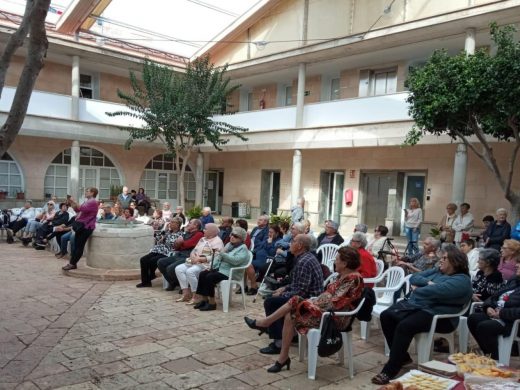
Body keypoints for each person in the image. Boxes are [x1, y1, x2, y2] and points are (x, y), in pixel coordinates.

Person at [244, 246, 364, 373]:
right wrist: (312, 302)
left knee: (295, 301)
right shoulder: (342, 276)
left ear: (345, 263)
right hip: (325, 312)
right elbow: (328, 297)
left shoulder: (353, 279)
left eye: (337, 259)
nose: (334, 261)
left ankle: (266, 323)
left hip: (334, 319)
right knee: (290, 313)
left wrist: (310, 303)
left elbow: (334, 303)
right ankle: (282, 357)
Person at [371, 245, 472, 385]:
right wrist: (428, 283)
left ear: (455, 262)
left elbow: (431, 291)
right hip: (422, 308)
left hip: (442, 317)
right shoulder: (438, 271)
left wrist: (424, 288)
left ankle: (390, 369)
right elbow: (414, 278)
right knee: (387, 316)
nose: (440, 261)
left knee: (405, 326)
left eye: (444, 258)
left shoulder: (461, 281)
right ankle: (403, 357)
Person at [258, 234, 323, 355]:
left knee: (271, 302)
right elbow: (297, 283)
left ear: (300, 246)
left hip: (309, 300)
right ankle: (288, 334)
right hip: (305, 294)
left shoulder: (304, 261)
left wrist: (284, 293)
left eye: (293, 241)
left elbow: (301, 291)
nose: (290, 244)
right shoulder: (302, 257)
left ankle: (278, 343)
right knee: (274, 296)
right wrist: (284, 288)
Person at [468, 254, 520, 359]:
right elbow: (494, 296)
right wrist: (488, 307)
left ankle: (495, 359)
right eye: (517, 262)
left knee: (485, 327)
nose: (516, 265)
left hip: (512, 321)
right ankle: (489, 355)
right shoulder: (514, 280)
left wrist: (501, 313)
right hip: (497, 314)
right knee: (473, 319)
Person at [193, 226, 250, 311]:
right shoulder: (229, 245)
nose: (232, 237)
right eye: (232, 235)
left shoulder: (243, 249)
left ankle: (212, 303)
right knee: (203, 274)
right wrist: (211, 267)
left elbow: (235, 261)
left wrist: (222, 254)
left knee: (210, 277)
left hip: (231, 272)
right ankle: (204, 300)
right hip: (222, 270)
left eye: (236, 236)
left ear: (242, 239)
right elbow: (218, 258)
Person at [175, 223, 224, 303]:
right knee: (179, 269)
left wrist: (201, 259)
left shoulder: (217, 241)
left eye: (205, 229)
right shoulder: (203, 239)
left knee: (190, 271)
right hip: (195, 262)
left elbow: (217, 257)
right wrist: (193, 256)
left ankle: (196, 296)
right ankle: (186, 294)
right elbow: (194, 250)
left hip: (206, 265)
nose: (203, 230)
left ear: (212, 231)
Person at [157, 219, 204, 290]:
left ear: (195, 225)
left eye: (190, 223)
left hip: (189, 256)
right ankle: (173, 282)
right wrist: (179, 243)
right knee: (161, 262)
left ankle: (184, 286)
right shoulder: (187, 233)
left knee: (170, 268)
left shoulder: (199, 234)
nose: (188, 224)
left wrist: (180, 243)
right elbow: (176, 247)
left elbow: (188, 244)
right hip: (179, 254)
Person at [136, 217, 183, 288]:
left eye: (173, 222)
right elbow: (157, 239)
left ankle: (151, 275)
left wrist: (165, 239)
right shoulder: (167, 232)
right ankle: (146, 282)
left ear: (178, 224)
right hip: (158, 250)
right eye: (170, 222)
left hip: (168, 252)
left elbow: (173, 244)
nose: (170, 223)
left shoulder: (181, 234)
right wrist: (163, 233)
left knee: (152, 261)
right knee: (143, 259)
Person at [62, 187, 99, 271]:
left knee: (79, 246)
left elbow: (82, 209)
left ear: (92, 193)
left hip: (87, 226)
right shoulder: (88, 201)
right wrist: (71, 202)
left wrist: (74, 201)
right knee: (77, 245)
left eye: (87, 191)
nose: (85, 192)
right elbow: (77, 210)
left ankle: (72, 263)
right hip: (82, 226)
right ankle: (72, 263)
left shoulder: (93, 202)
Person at [244, 224, 283, 295]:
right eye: (269, 232)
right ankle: (244, 286)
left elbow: (272, 253)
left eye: (271, 232)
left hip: (266, 260)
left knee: (248, 265)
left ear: (277, 233)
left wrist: (270, 243)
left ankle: (253, 286)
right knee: (244, 262)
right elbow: (259, 248)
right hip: (258, 258)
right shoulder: (266, 238)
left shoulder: (279, 241)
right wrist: (250, 252)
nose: (269, 234)